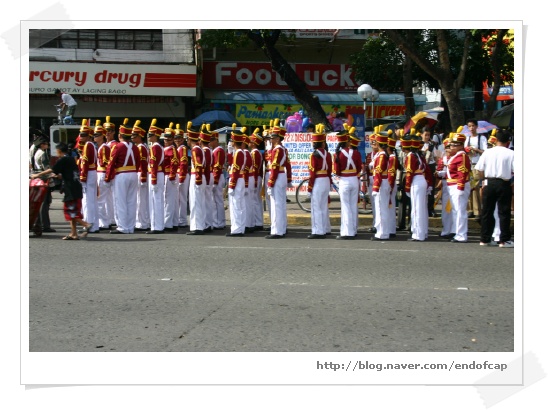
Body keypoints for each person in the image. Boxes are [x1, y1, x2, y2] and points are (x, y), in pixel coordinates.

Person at [30, 142, 93, 240]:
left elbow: (51, 170)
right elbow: (68, 172)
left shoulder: (62, 160)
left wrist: (37, 175)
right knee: (72, 210)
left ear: (59, 151)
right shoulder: (71, 159)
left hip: (71, 188)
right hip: (76, 187)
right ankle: (74, 233)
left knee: (69, 211)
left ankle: (86, 224)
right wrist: (59, 176)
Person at [476, 130, 514, 248]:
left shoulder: (487, 152)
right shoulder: (511, 153)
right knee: (504, 212)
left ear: (496, 139)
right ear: (508, 141)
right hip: (504, 182)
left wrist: (483, 180)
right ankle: (504, 240)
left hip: (489, 181)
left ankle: (484, 238)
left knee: (487, 211)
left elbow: (479, 169)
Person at [105, 119, 141, 234]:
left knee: (120, 201)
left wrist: (107, 177)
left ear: (120, 135)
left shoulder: (118, 146)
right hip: (133, 174)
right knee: (131, 201)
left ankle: (122, 227)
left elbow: (111, 162)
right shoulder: (135, 147)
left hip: (121, 175)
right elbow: (139, 162)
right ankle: (130, 227)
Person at [333, 126, 361, 240]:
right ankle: (354, 229)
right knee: (353, 205)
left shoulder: (337, 155)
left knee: (345, 207)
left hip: (344, 180)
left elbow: (337, 171)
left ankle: (347, 232)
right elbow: (359, 168)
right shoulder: (356, 153)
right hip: (354, 179)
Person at [446, 129, 472, 243]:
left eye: (454, 145)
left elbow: (463, 172)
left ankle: (461, 234)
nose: (451, 146)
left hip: (458, 185)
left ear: (461, 145)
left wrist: (460, 187)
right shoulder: (456, 155)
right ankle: (457, 232)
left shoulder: (462, 156)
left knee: (460, 210)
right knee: (456, 210)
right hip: (453, 184)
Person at [306, 124, 331, 239]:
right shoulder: (328, 154)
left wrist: (309, 187)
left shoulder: (314, 155)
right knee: (324, 206)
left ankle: (318, 231)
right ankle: (326, 228)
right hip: (326, 179)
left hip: (318, 181)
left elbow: (312, 173)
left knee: (316, 206)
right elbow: (330, 170)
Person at [265, 119, 288, 239]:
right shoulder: (282, 149)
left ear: (278, 139)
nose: (270, 140)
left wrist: (270, 183)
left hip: (277, 176)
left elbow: (274, 167)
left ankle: (277, 231)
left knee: (276, 204)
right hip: (281, 175)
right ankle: (281, 228)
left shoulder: (277, 149)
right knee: (280, 204)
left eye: (272, 138)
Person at [226, 125, 249, 237]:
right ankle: (240, 228)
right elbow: (232, 164)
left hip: (237, 179)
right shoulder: (241, 152)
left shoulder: (239, 153)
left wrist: (231, 185)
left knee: (236, 206)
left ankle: (236, 229)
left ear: (234, 142)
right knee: (240, 205)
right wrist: (230, 152)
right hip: (240, 179)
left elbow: (235, 170)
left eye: (231, 141)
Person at [30, 137, 56, 233]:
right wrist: (53, 179)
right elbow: (47, 169)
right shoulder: (43, 153)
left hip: (37, 179)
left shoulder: (35, 152)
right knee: (45, 203)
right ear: (42, 145)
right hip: (44, 180)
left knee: (38, 203)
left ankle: (39, 224)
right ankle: (45, 225)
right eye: (46, 143)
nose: (47, 145)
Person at [78, 120, 99, 234]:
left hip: (89, 173)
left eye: (83, 135)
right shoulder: (92, 145)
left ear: (89, 136)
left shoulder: (87, 145)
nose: (81, 136)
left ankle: (89, 223)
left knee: (88, 200)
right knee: (92, 200)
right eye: (80, 134)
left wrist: (82, 176)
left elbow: (85, 162)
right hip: (92, 172)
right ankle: (94, 224)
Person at [464, 118, 488, 219]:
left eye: (473, 126)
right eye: (469, 126)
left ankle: (477, 210)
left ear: (476, 127)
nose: (471, 128)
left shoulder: (481, 138)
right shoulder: (467, 138)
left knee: (476, 187)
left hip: (477, 164)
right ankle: (469, 209)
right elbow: (464, 151)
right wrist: (468, 150)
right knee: (469, 187)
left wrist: (476, 150)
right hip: (469, 164)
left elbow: (485, 152)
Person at [186, 121, 207, 235]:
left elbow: (198, 165)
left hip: (197, 177)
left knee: (195, 202)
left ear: (190, 139)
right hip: (200, 176)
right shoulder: (200, 149)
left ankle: (197, 227)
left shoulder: (195, 149)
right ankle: (200, 225)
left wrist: (198, 179)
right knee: (200, 202)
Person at [146, 120, 165, 234]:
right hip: (158, 174)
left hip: (156, 174)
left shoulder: (155, 147)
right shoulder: (157, 146)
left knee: (155, 201)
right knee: (157, 201)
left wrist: (153, 179)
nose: (148, 137)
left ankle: (156, 226)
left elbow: (153, 164)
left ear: (156, 136)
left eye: (151, 135)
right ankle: (158, 225)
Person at [371, 131, 391, 241]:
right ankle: (383, 231)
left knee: (380, 209)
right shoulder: (381, 154)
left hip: (381, 183)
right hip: (383, 182)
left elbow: (378, 171)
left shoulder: (382, 155)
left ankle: (382, 233)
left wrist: (375, 187)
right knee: (382, 208)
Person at [435, 137, 455, 239]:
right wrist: (440, 173)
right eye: (447, 147)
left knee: (455, 208)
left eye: (451, 147)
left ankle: (454, 230)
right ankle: (446, 230)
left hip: (455, 185)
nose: (449, 149)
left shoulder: (457, 157)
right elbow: (438, 173)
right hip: (446, 184)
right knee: (446, 209)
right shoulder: (443, 159)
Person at [93, 121, 112, 231]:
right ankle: (105, 221)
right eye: (94, 135)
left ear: (102, 136)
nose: (95, 137)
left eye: (97, 135)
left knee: (100, 200)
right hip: (100, 173)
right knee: (104, 200)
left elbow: (105, 163)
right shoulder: (101, 147)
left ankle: (104, 222)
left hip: (102, 173)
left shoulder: (104, 147)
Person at [133, 120, 151, 231]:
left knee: (141, 200)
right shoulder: (140, 147)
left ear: (140, 136)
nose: (132, 137)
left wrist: (143, 176)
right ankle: (141, 221)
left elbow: (143, 163)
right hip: (139, 173)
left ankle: (142, 223)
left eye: (134, 135)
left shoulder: (141, 147)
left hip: (141, 173)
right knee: (140, 199)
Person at [162, 123, 180, 232]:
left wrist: (172, 176)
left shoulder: (172, 149)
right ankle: (172, 222)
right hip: (166, 175)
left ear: (173, 139)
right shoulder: (166, 148)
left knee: (168, 200)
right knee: (170, 200)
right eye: (165, 138)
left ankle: (167, 223)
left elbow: (174, 163)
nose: (166, 140)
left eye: (169, 138)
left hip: (169, 175)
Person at [174, 124, 190, 228]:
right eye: (175, 138)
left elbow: (183, 163)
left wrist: (182, 176)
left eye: (179, 138)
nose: (177, 140)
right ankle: (180, 218)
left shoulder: (182, 148)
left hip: (181, 174)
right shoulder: (178, 148)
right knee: (179, 198)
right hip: (179, 174)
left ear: (183, 139)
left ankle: (182, 219)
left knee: (182, 198)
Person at [210, 130, 227, 230]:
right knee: (216, 200)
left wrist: (215, 180)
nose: (210, 142)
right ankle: (217, 221)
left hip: (217, 175)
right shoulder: (215, 150)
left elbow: (217, 166)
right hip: (216, 175)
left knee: (218, 201)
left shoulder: (219, 150)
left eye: (211, 140)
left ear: (216, 140)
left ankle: (219, 222)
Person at [248, 128, 264, 231]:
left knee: (255, 201)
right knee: (257, 200)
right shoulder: (256, 152)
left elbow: (254, 168)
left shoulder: (254, 153)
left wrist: (253, 181)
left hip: (255, 177)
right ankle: (258, 222)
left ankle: (256, 222)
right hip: (257, 177)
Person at [421, 127, 438, 217]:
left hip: (431, 165)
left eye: (428, 135)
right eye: (425, 135)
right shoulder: (419, 144)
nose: (427, 137)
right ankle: (423, 207)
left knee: (431, 188)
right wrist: (425, 150)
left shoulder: (432, 145)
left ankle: (431, 208)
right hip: (423, 166)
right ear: (421, 135)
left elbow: (435, 157)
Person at [386, 131, 399, 238]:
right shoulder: (392, 157)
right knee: (390, 206)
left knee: (390, 206)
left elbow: (391, 172)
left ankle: (390, 229)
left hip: (390, 183)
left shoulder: (391, 157)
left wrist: (389, 185)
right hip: (391, 183)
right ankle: (391, 228)